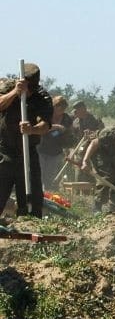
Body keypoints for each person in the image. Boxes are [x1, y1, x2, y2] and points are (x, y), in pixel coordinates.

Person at [0, 63, 53, 219]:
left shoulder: (42, 97)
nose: (28, 93)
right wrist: (15, 93)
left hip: (27, 154)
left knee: (33, 202)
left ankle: (29, 226)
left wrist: (32, 130)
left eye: (31, 90)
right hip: (4, 151)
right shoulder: (9, 87)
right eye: (26, 88)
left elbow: (45, 125)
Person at [38, 96, 75, 191]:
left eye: (63, 108)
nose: (62, 110)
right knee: (38, 174)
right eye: (59, 108)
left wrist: (70, 149)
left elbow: (70, 134)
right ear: (53, 106)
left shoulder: (67, 118)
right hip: (40, 149)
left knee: (50, 176)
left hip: (55, 151)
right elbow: (38, 127)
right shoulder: (45, 114)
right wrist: (56, 127)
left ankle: (48, 195)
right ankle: (37, 195)